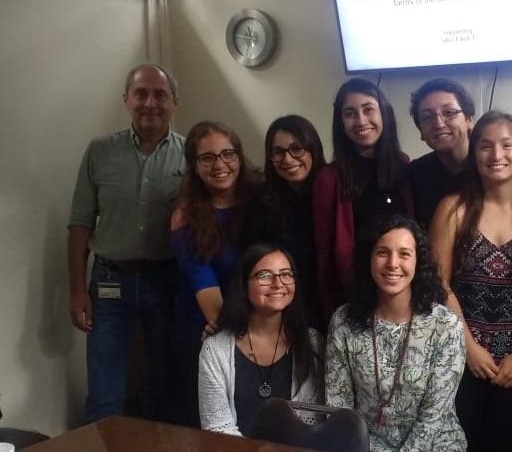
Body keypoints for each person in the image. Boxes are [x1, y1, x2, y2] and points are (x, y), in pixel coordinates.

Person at [430, 111, 512, 451]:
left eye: (506, 145)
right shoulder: (453, 210)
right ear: (474, 154)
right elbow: (439, 285)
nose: (496, 155)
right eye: (485, 146)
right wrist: (469, 349)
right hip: (459, 358)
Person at [67, 63, 184, 424]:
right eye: (141, 94)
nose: (150, 103)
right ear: (126, 100)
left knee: (163, 387)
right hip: (109, 283)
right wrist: (76, 291)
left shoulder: (190, 155)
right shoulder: (100, 151)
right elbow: (80, 224)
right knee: (105, 394)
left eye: (160, 94)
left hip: (166, 282)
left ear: (174, 103)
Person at [325, 215, 466, 452]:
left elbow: (433, 419)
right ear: (368, 259)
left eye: (404, 254)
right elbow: (339, 408)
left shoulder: (446, 326)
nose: (392, 263)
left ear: (418, 262)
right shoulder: (344, 321)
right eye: (382, 252)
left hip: (434, 445)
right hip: (365, 446)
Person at [170, 120, 260, 426]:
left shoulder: (262, 198)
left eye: (228, 154)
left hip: (261, 325)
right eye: (207, 157)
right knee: (210, 424)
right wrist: (229, 326)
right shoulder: (185, 214)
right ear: (194, 166)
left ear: (239, 156)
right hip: (208, 328)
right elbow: (204, 286)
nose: (220, 164)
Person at [314, 78, 413, 323]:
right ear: (340, 123)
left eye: (368, 109)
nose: (360, 121)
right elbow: (325, 256)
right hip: (355, 300)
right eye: (350, 113)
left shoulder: (403, 166)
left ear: (384, 114)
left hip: (404, 295)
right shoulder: (329, 179)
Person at [199, 243, 325, 436]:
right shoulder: (215, 348)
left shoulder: (312, 343)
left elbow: (315, 427)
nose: (278, 283)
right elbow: (217, 427)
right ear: (244, 285)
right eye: (264, 275)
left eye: (286, 274)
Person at [242, 115, 326, 329]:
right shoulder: (259, 203)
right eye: (278, 152)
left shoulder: (332, 193)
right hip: (280, 309)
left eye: (297, 149)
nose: (287, 160)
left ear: (313, 149)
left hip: (329, 304)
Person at [408, 78, 476, 228]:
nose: (438, 124)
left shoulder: (495, 166)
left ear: (469, 119)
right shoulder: (414, 174)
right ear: (421, 132)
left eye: (449, 112)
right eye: (427, 117)